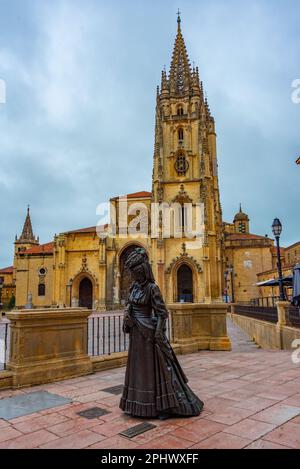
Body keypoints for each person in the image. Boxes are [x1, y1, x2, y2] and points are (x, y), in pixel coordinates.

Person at [119, 247, 203, 419]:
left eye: (134, 272)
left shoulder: (152, 288)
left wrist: (158, 333)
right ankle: (138, 404)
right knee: (140, 369)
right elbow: (129, 305)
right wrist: (127, 315)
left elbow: (162, 313)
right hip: (137, 334)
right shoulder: (134, 287)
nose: (132, 275)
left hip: (149, 334)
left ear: (141, 271)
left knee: (156, 370)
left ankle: (162, 406)